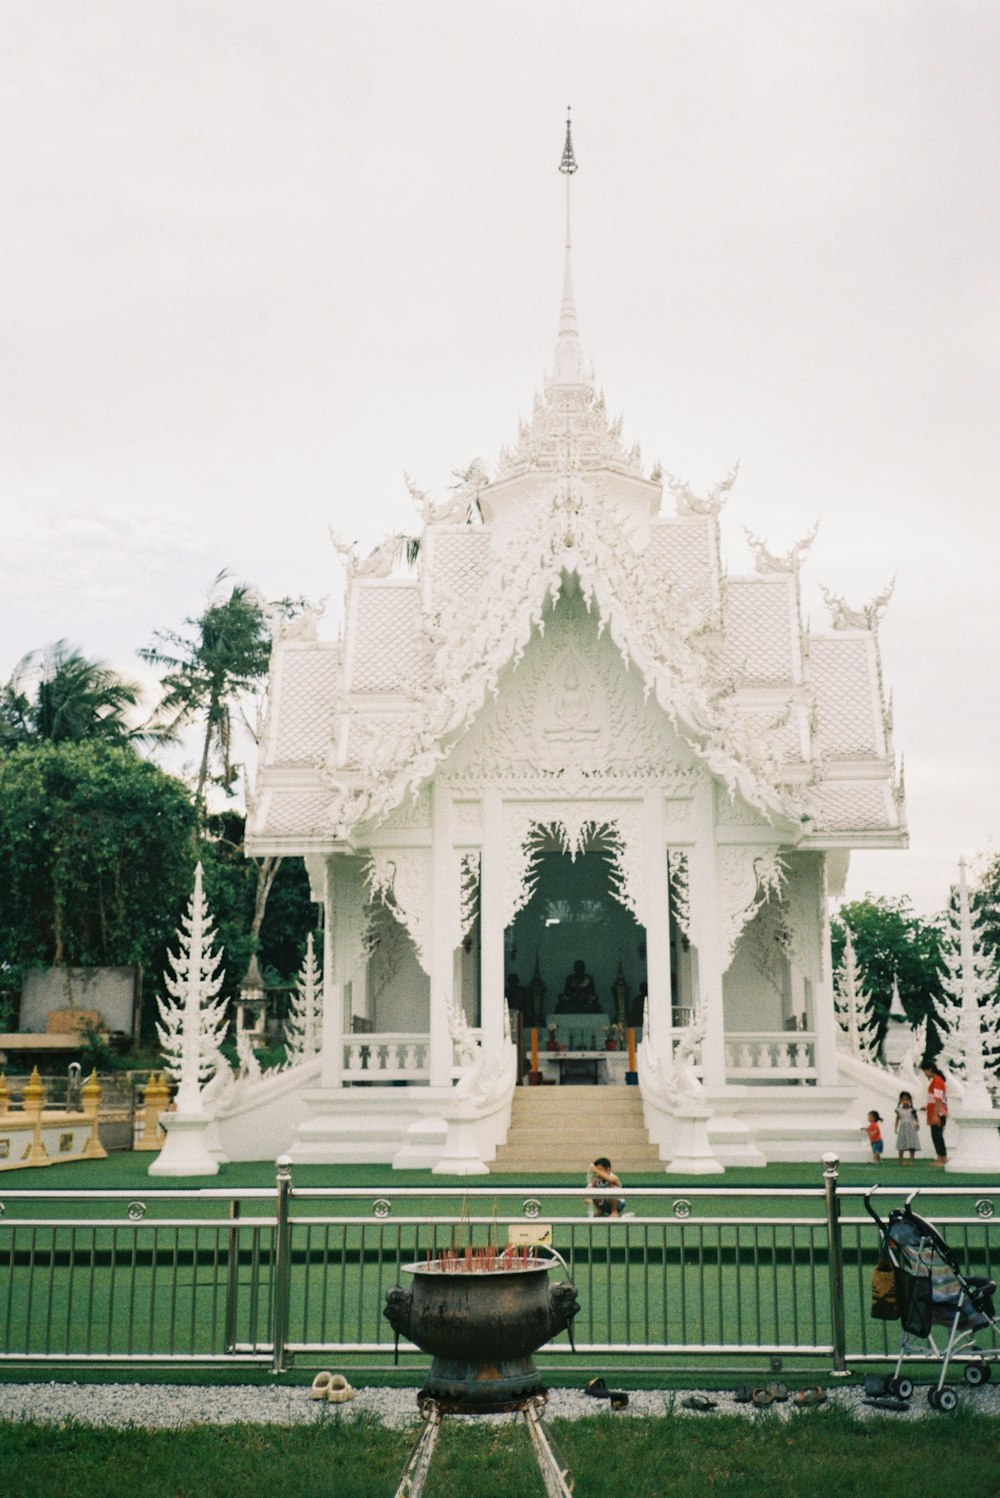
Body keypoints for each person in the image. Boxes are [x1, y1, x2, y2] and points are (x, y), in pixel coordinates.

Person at [921, 1063, 948, 1165]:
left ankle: (943, 1159)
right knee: (935, 1135)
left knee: (937, 1135)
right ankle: (940, 1157)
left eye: (925, 1071)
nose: (924, 1074)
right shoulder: (936, 1081)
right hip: (936, 1111)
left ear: (930, 1070)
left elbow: (938, 1099)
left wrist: (936, 1115)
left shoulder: (937, 1081)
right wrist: (928, 1107)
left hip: (939, 1113)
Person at [894, 1090, 920, 1164]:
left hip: (911, 1128)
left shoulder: (912, 1110)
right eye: (903, 1099)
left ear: (910, 1100)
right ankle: (901, 1161)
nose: (905, 1101)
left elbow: (916, 1118)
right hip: (903, 1129)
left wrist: (918, 1124)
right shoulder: (899, 1110)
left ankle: (911, 1161)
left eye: (907, 1099)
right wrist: (895, 1128)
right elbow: (897, 1119)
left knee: (911, 1145)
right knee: (901, 1145)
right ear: (900, 1100)